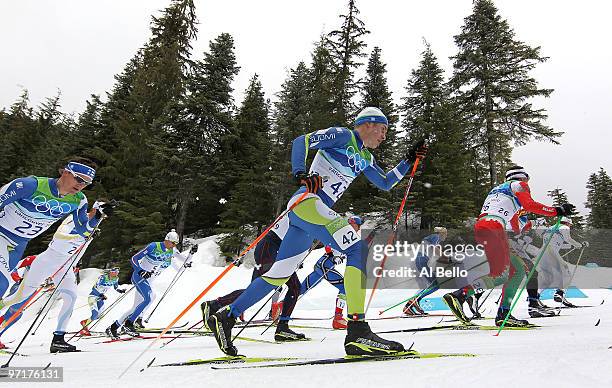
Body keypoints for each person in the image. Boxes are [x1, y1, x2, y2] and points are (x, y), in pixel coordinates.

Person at [208, 107, 427, 356]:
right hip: (307, 202)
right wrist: (300, 174)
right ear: (367, 124)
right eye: (383, 129)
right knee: (358, 248)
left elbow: (386, 182)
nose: (385, 136)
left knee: (280, 274)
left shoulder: (365, 157)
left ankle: (226, 316)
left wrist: (408, 160)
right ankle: (358, 331)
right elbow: (302, 140)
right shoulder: (344, 136)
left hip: (308, 215)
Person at [443, 166, 575, 327]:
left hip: (484, 228)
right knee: (507, 274)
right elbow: (529, 205)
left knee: (515, 270)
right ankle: (464, 296)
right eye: (527, 180)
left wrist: (533, 222)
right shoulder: (519, 185)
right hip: (494, 228)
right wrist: (556, 210)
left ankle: (499, 311)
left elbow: (515, 226)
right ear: (523, 178)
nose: (528, 185)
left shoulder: (498, 190)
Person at [0, 199, 114, 352]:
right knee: (18, 299)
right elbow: (60, 236)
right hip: (47, 262)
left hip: (65, 267)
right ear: (95, 209)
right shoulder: (77, 219)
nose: (101, 219)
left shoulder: (93, 226)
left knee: (71, 297)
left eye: (104, 217)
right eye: (101, 214)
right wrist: (81, 235)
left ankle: (58, 339)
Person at [0, 159, 101, 302]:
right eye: (79, 179)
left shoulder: (78, 200)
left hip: (18, 246)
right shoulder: (30, 185)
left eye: (86, 183)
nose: (81, 185)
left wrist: (97, 216)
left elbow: (83, 230)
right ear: (66, 172)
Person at [105, 230, 196, 339]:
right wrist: (140, 270)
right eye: (173, 243)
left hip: (148, 281)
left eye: (175, 244)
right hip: (139, 277)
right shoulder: (153, 246)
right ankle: (129, 324)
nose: (174, 245)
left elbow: (184, 262)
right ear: (167, 240)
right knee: (148, 299)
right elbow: (134, 259)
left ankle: (113, 327)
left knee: (137, 306)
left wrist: (191, 253)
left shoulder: (171, 251)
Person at [298, 216, 365, 330]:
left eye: (354, 225)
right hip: (325, 265)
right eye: (350, 225)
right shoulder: (343, 234)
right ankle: (338, 318)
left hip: (322, 266)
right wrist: (333, 256)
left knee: (301, 289)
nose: (352, 228)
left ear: (358, 227)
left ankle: (280, 307)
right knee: (345, 288)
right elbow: (328, 244)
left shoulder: (354, 239)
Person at [537, 217, 587, 307]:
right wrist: (579, 245)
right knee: (566, 272)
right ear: (567, 223)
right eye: (570, 225)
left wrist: (573, 246)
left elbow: (557, 243)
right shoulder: (564, 227)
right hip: (551, 251)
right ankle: (559, 293)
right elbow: (568, 239)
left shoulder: (551, 228)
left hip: (543, 253)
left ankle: (535, 298)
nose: (570, 227)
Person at [403, 226, 448, 316]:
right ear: (441, 233)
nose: (446, 236)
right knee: (434, 285)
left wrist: (445, 258)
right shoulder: (436, 236)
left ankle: (410, 306)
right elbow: (435, 250)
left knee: (430, 285)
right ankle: (414, 301)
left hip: (420, 261)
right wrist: (447, 258)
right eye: (445, 233)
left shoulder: (433, 238)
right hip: (421, 260)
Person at [79, 267, 125, 336]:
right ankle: (84, 328)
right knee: (94, 314)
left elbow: (116, 287)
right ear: (110, 272)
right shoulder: (103, 277)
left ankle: (84, 322)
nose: (116, 274)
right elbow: (94, 288)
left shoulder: (116, 279)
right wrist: (100, 294)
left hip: (100, 298)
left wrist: (120, 290)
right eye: (114, 272)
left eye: (117, 272)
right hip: (93, 297)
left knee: (100, 315)